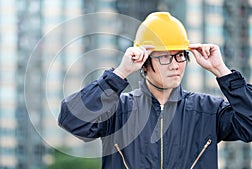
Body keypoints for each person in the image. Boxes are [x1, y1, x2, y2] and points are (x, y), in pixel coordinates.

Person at [58, 12, 252, 169]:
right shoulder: (117, 110)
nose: (175, 65)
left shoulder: (209, 110)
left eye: (180, 56)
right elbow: (71, 120)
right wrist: (120, 73)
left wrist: (222, 71)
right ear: (144, 63)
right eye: (165, 58)